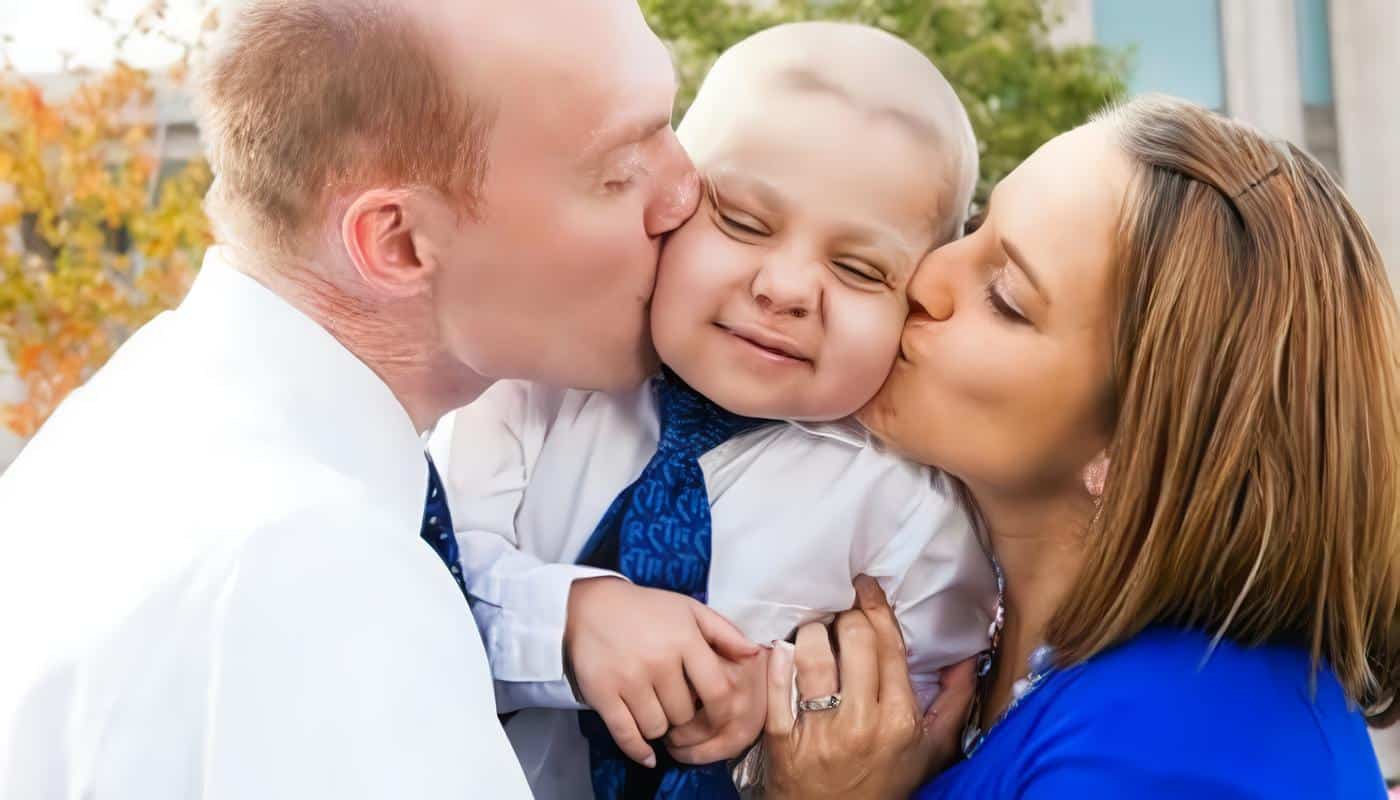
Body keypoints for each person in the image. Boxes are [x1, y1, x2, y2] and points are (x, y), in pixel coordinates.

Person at [0, 0, 701, 797]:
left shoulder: (132, 428)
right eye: (618, 171)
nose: (688, 193)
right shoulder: (319, 580)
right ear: (398, 242)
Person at [755, 94, 1399, 799]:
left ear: (1132, 451)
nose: (926, 278)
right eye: (974, 227)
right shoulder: (1015, 643)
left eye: (1004, 296)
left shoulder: (1177, 743)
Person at [429, 22, 995, 800]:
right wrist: (569, 620)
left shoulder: (909, 510)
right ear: (667, 203)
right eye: (743, 222)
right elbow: (426, 578)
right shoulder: (530, 386)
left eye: (860, 268)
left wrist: (771, 713)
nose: (787, 288)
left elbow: (918, 729)